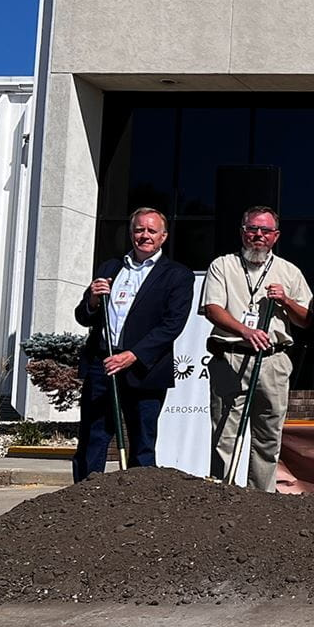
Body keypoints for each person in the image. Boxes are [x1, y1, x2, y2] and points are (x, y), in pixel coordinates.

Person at [72, 207, 193, 482]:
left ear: (163, 236)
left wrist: (133, 355)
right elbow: (83, 316)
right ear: (131, 233)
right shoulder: (110, 267)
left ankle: (140, 505)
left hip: (144, 370)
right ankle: (84, 500)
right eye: (139, 230)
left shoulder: (177, 275)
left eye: (152, 230)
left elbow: (172, 325)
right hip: (102, 363)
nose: (145, 236)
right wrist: (92, 300)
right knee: (93, 436)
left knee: (142, 439)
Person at [199, 206, 312, 491]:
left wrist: (285, 300)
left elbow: (307, 319)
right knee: (225, 431)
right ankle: (223, 492)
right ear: (243, 232)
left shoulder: (289, 271)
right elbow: (212, 308)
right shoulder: (223, 265)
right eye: (252, 229)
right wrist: (245, 331)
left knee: (268, 434)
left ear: (276, 236)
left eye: (265, 231)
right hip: (232, 355)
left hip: (273, 360)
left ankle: (261, 499)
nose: (258, 236)